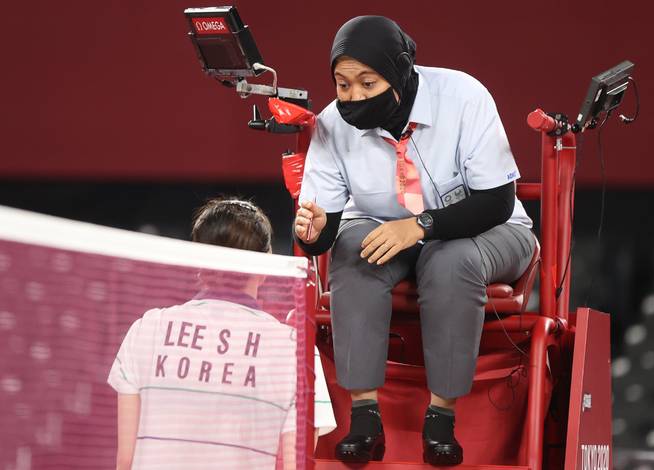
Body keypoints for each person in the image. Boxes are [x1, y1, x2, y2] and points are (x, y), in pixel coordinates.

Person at [293, 16, 535, 466]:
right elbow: (322, 230)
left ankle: (441, 418)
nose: (354, 97)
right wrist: (311, 233)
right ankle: (364, 418)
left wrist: (419, 226)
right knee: (351, 248)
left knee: (450, 259)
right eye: (343, 85)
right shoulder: (331, 123)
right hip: (387, 231)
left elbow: (497, 201)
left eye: (368, 82)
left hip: (490, 231)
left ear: (400, 71)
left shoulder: (463, 96)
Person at [108, 197, 336, 470]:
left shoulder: (147, 329)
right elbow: (295, 464)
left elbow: (126, 461)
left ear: (200, 261)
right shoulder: (294, 349)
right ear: (265, 262)